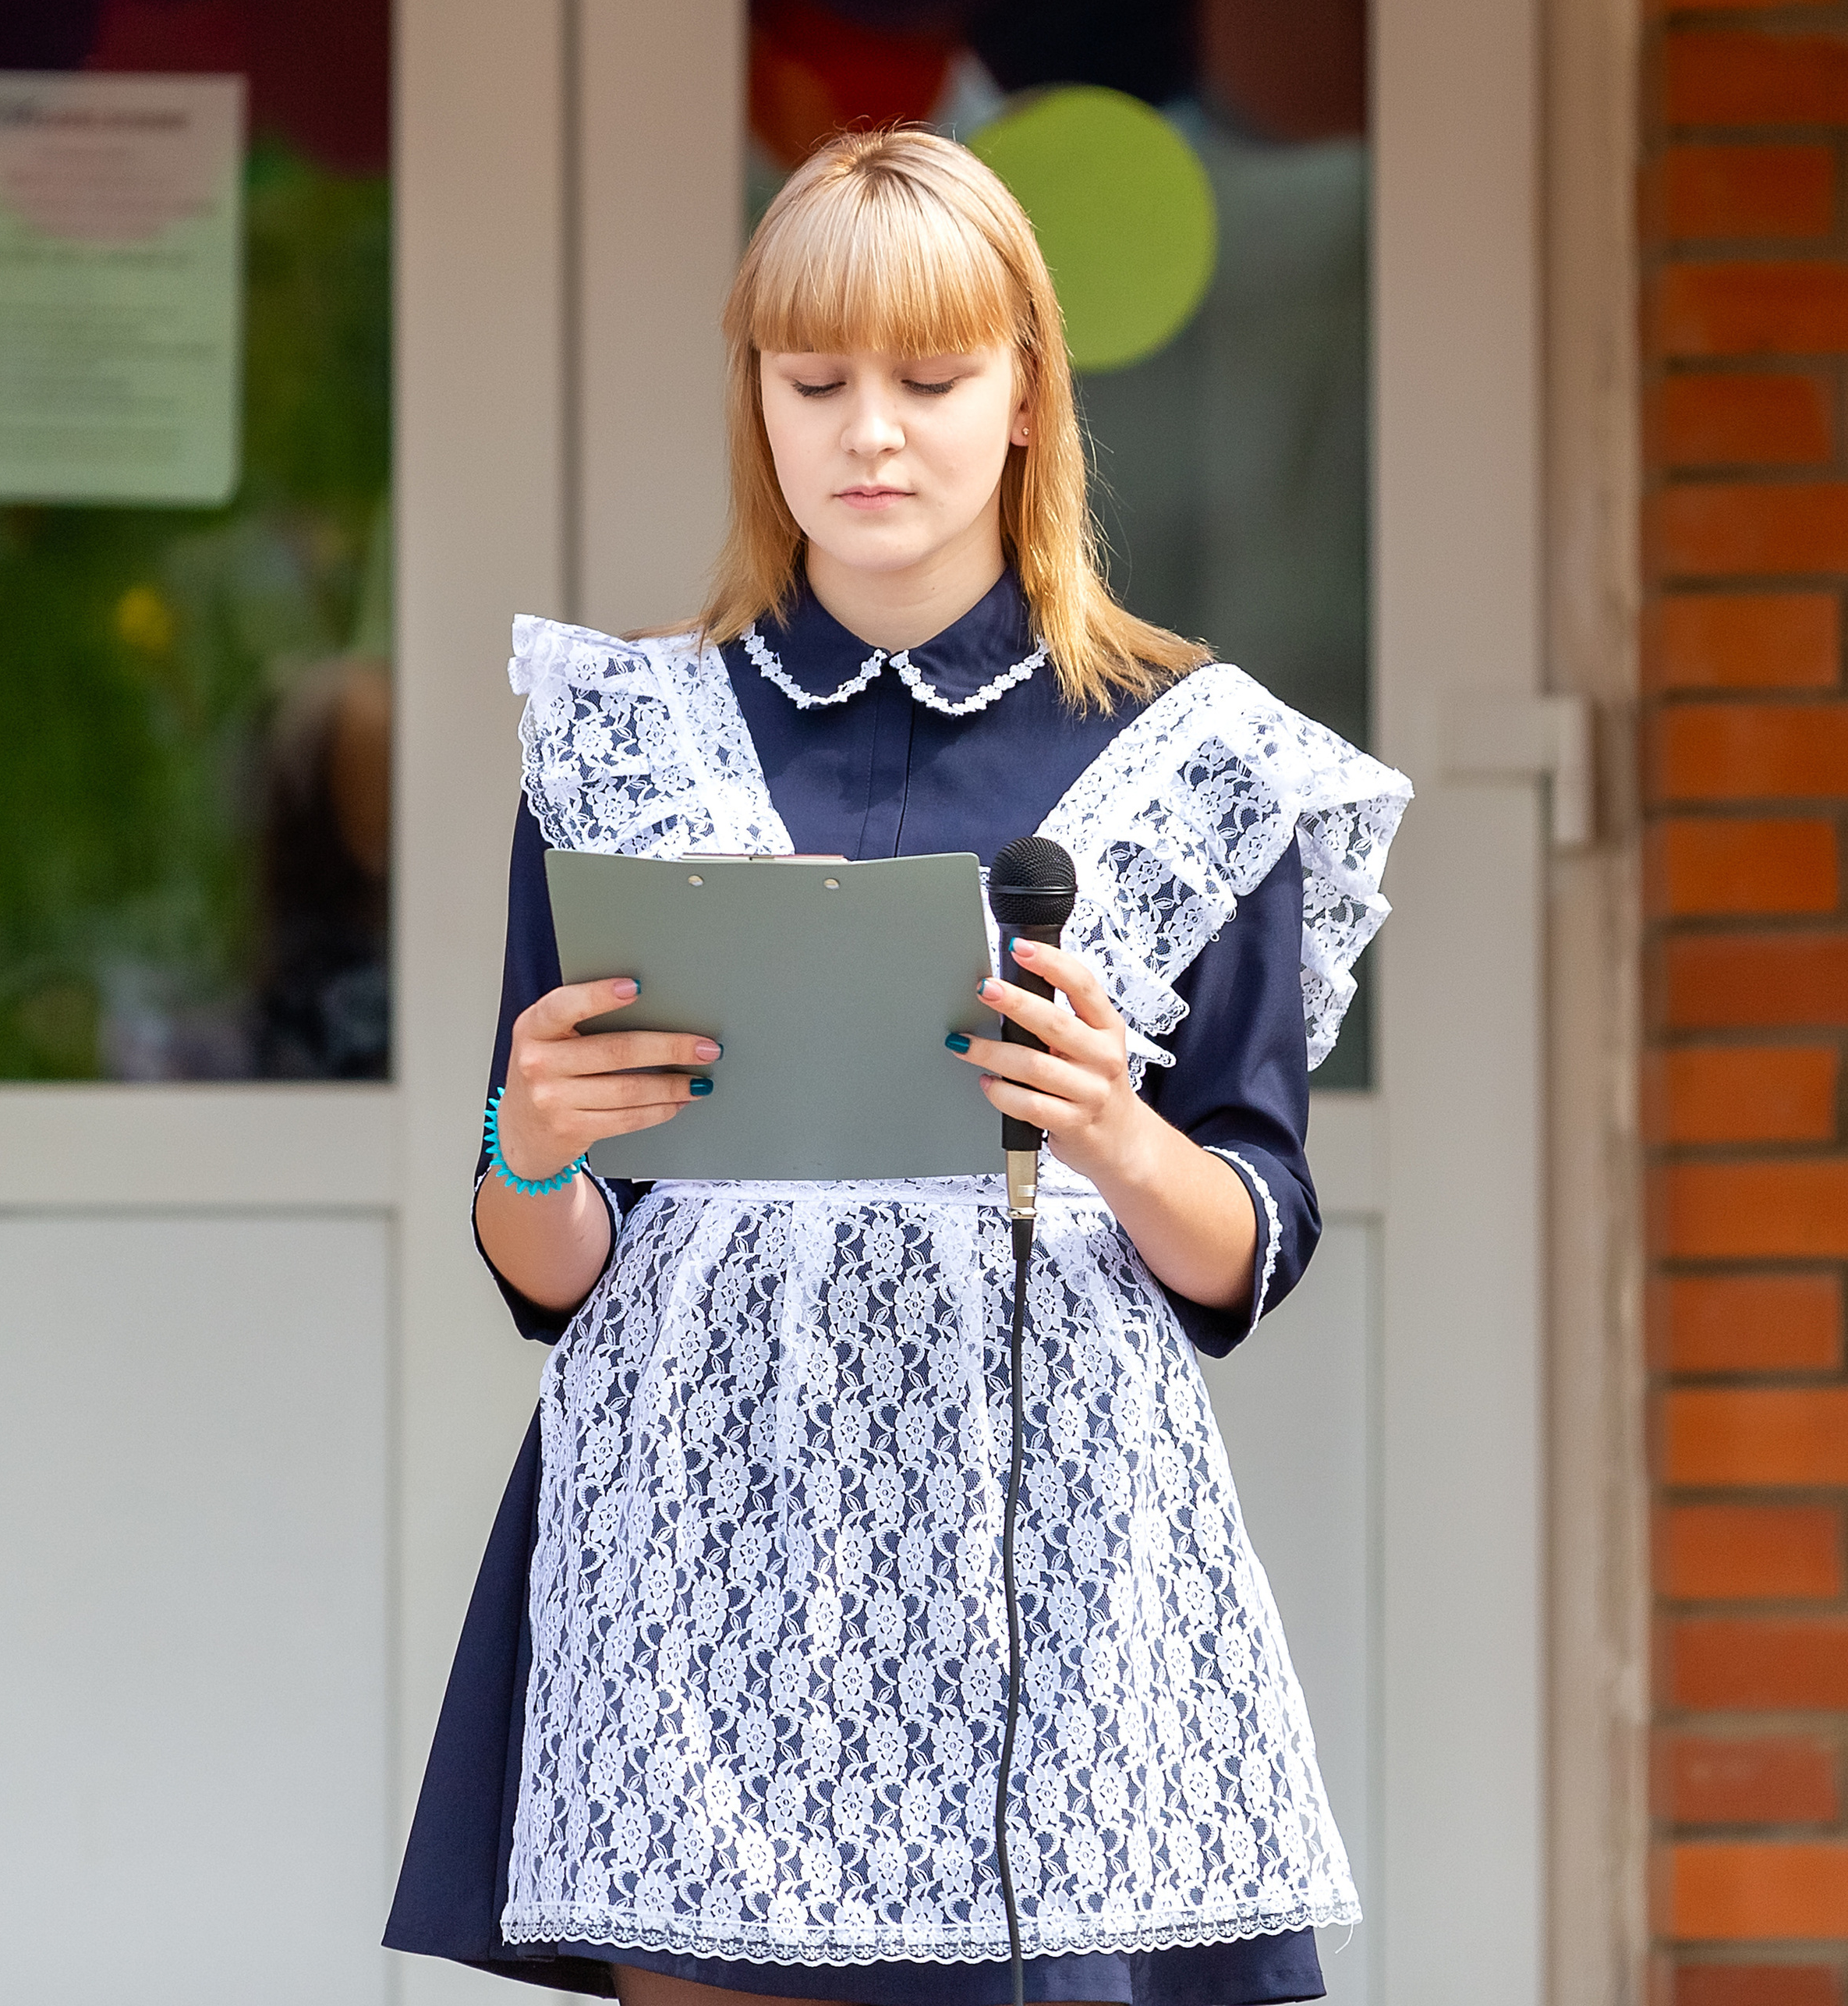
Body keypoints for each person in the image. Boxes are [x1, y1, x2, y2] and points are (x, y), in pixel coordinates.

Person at [385, 127, 1410, 2006]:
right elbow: (553, 1266)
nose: (873, 431)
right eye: (815, 380)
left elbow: (1245, 1241)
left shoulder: (1195, 760)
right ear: (755, 407)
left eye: (931, 379)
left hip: (1056, 1571)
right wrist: (522, 1149)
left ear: (1025, 392)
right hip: (695, 1539)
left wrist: (1109, 1129)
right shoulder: (621, 739)